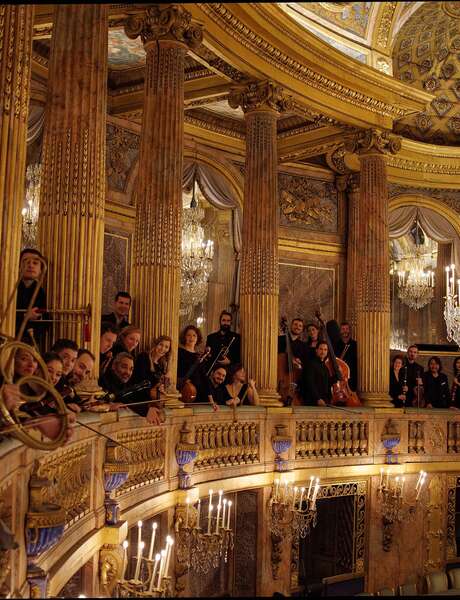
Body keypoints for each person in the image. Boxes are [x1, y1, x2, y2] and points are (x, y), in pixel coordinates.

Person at [0, 346, 75, 443]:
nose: (53, 378)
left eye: (58, 374)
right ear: (38, 370)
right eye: (50, 371)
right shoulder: (18, 388)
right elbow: (15, 416)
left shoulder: (49, 394)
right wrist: (36, 422)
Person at [100, 353, 162, 424]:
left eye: (131, 369)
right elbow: (122, 398)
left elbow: (132, 399)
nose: (128, 372)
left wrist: (151, 405)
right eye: (124, 367)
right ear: (114, 366)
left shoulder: (124, 383)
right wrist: (146, 410)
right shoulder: (106, 380)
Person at [15, 248, 48, 348]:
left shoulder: (41, 291)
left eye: (35, 263)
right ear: (18, 266)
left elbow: (44, 317)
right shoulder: (9, 287)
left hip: (31, 342)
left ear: (41, 269)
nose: (30, 265)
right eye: (26, 261)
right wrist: (25, 316)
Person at [177, 325, 208, 401]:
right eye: (188, 335)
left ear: (197, 338)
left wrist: (210, 398)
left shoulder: (200, 356)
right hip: (185, 390)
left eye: (194, 335)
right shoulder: (179, 352)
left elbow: (203, 376)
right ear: (184, 337)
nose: (191, 338)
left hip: (198, 392)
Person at [302, 341, 335, 406]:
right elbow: (310, 383)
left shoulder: (325, 367)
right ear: (316, 350)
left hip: (323, 401)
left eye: (325, 350)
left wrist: (337, 376)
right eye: (321, 349)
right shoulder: (310, 364)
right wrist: (318, 398)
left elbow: (327, 383)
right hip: (313, 401)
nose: (323, 352)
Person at [335, 322, 358, 392]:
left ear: (350, 330)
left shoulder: (355, 345)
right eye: (343, 329)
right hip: (339, 376)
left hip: (352, 376)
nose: (345, 331)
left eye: (347, 329)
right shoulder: (336, 344)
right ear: (340, 331)